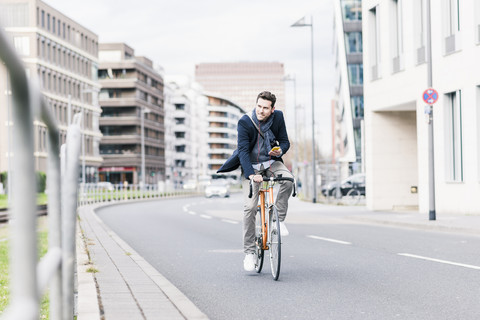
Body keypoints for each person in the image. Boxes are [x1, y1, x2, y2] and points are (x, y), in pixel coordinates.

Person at [217, 91, 294, 272]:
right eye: (259, 106)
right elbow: (242, 151)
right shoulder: (245, 122)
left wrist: (279, 151)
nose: (261, 110)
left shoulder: (278, 118)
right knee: (250, 207)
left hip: (271, 163)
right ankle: (250, 253)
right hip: (251, 167)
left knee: (289, 180)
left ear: (272, 109)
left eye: (265, 108)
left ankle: (278, 221)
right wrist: (251, 175)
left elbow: (285, 142)